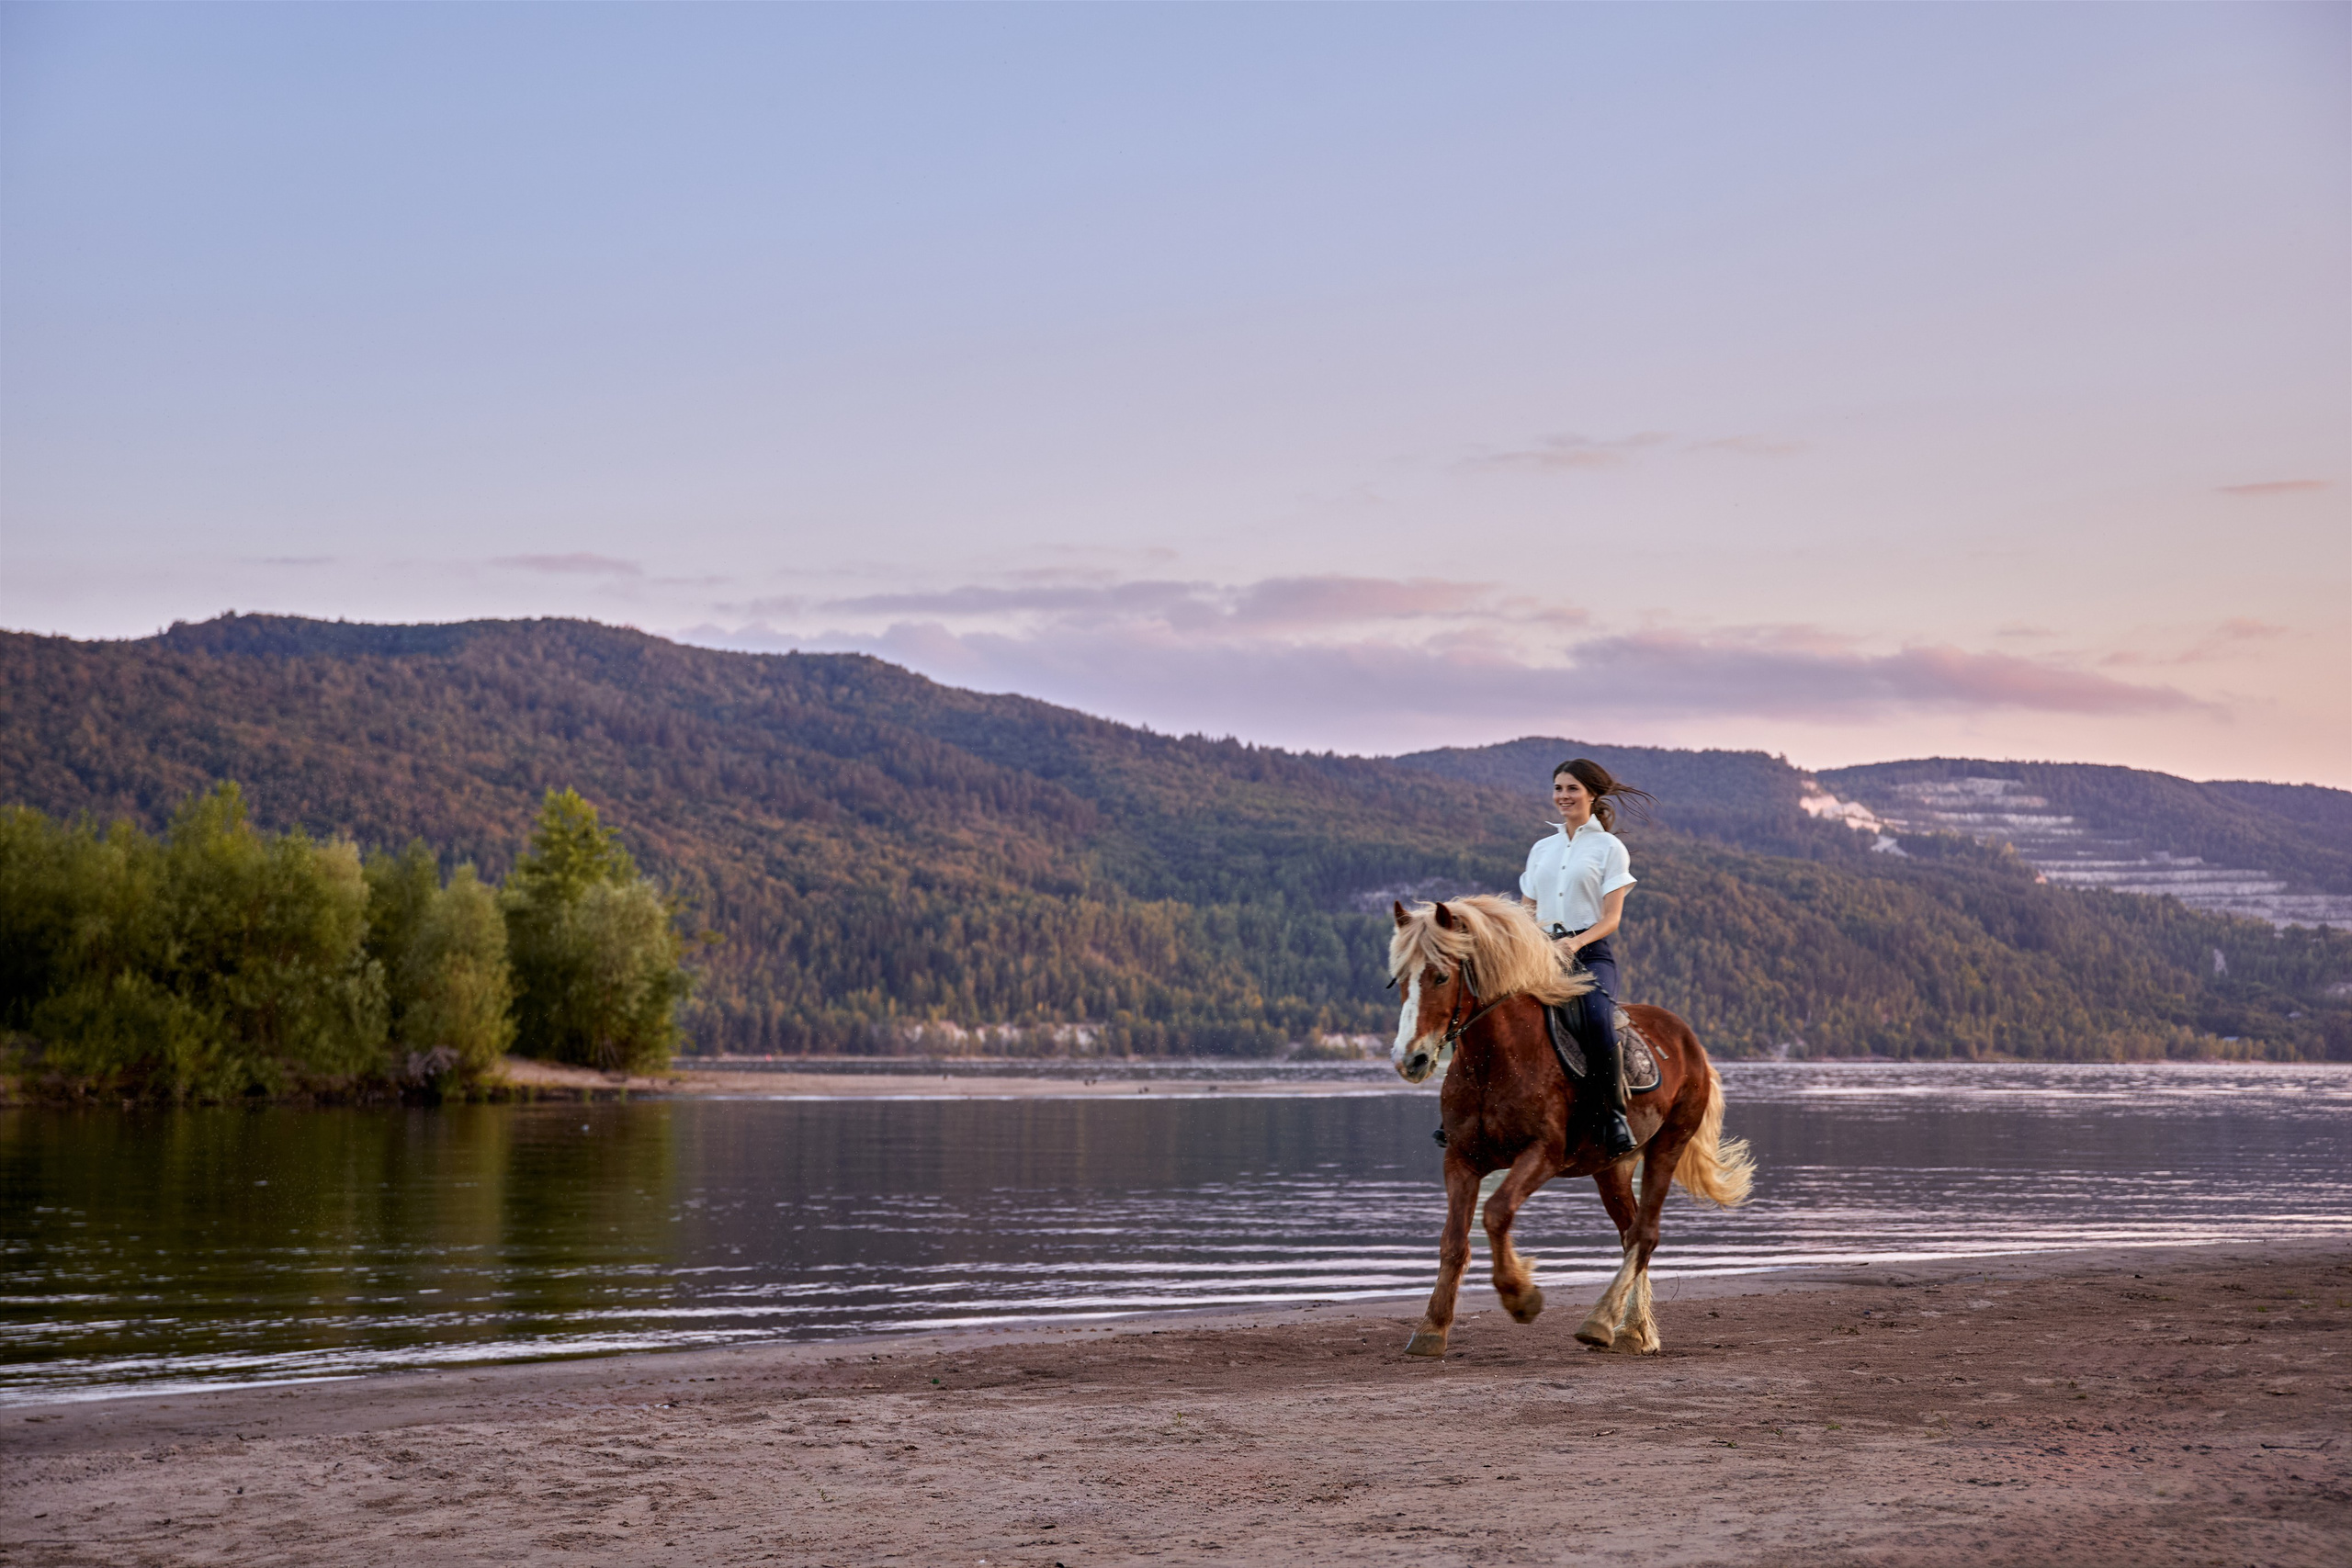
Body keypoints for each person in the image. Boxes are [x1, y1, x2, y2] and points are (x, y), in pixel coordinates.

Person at [1521, 758, 1654, 1159]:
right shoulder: (1542, 848)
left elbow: (1611, 919)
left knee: (1596, 1015)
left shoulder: (1610, 848)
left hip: (1590, 952)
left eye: (1572, 789)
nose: (1563, 796)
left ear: (1592, 795)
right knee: (1486, 1006)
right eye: (1558, 788)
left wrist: (1574, 946)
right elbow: (1527, 909)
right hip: (1539, 951)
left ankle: (1613, 1115)